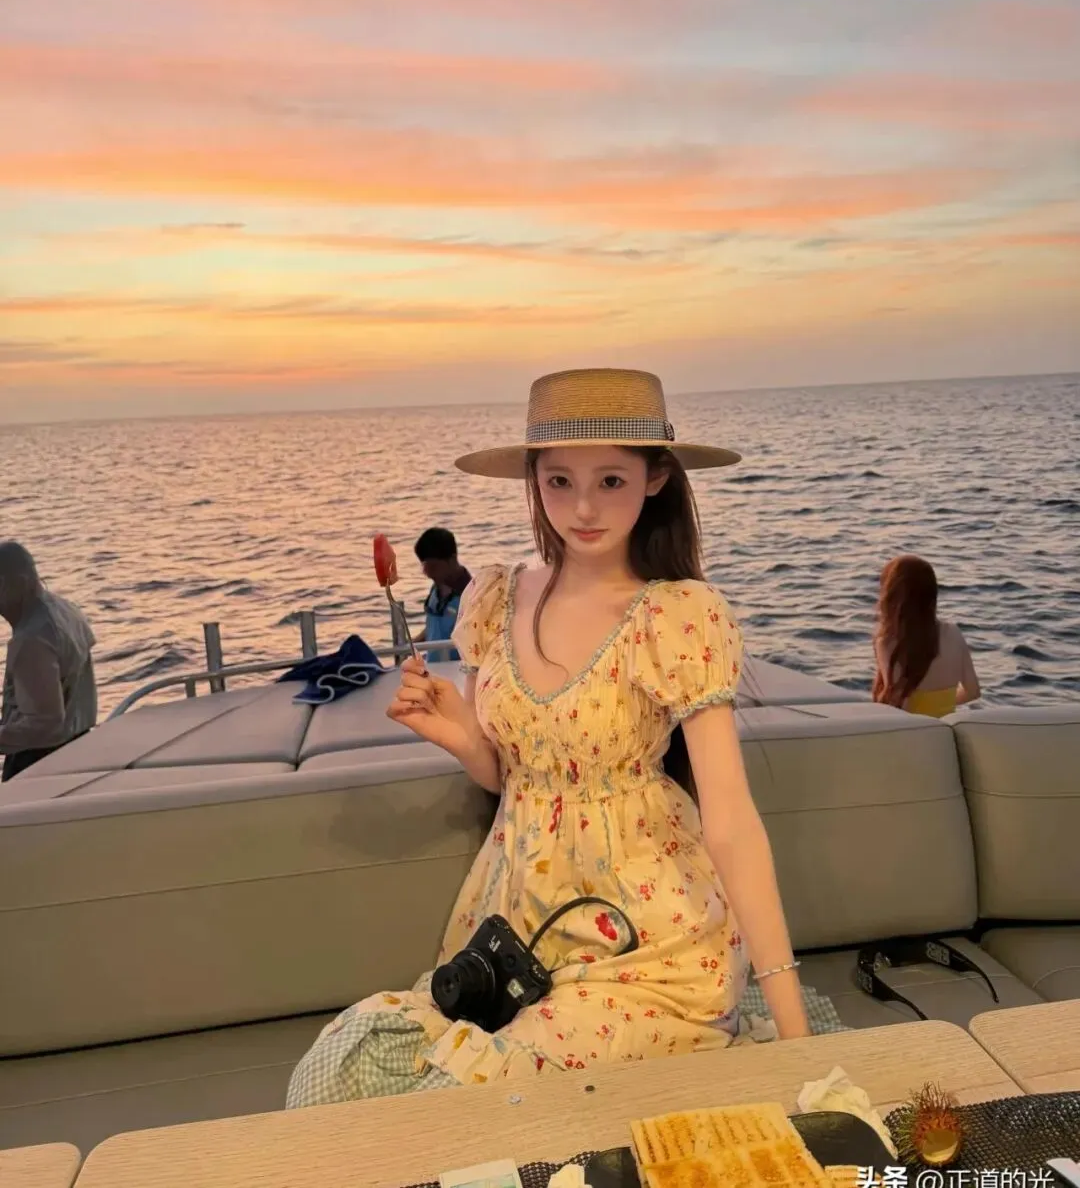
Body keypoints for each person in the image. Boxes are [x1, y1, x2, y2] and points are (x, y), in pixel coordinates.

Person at [287, 368, 832, 1110]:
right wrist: (459, 733)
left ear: (655, 478)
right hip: (519, 924)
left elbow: (731, 821)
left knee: (476, 1099)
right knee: (339, 1069)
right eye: (559, 481)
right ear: (533, 480)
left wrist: (797, 1033)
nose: (583, 507)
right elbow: (508, 777)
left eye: (611, 480)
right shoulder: (497, 597)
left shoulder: (678, 614)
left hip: (648, 936)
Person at [0, 541, 97, 781]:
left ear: (21, 583)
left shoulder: (31, 639)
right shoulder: (66, 609)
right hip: (79, 749)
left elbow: (45, 725)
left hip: (38, 766)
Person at [872, 554, 981, 718]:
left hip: (912, 730)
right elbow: (973, 691)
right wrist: (940, 704)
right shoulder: (953, 632)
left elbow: (896, 702)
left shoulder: (888, 642)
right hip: (943, 729)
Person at [414, 527, 472, 663]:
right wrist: (411, 645)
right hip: (433, 666)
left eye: (433, 567)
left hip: (457, 669)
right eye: (424, 566)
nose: (427, 573)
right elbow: (435, 626)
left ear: (452, 559)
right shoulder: (436, 589)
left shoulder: (472, 596)